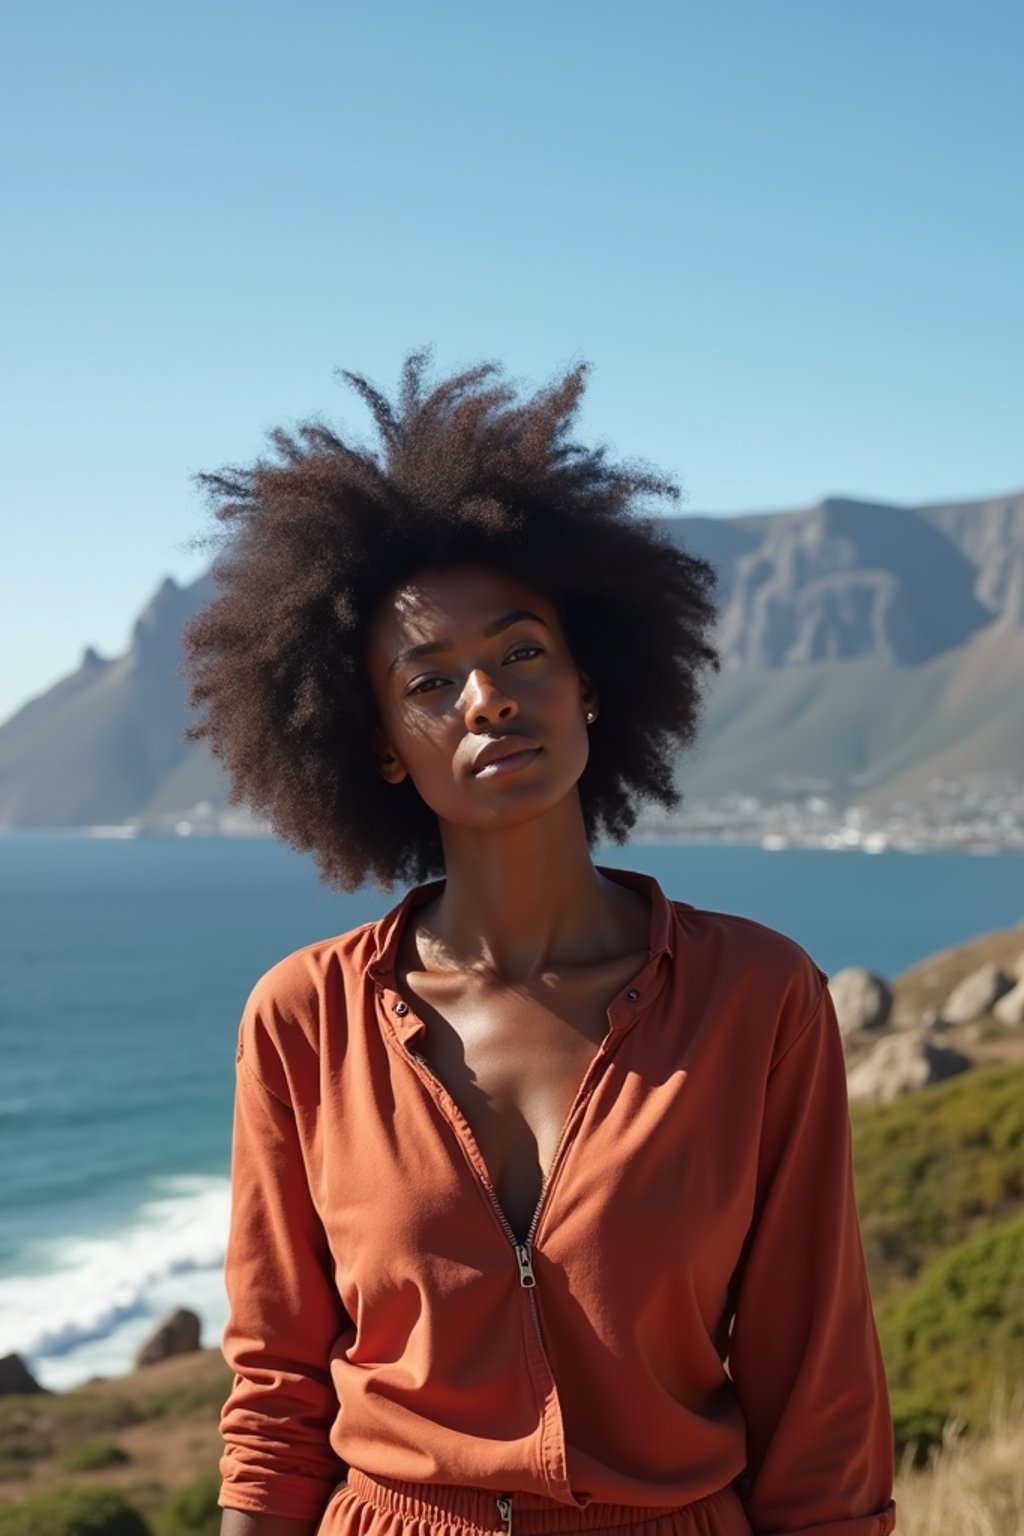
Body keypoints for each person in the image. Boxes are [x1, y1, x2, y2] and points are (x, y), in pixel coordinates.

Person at [183, 353, 897, 1536]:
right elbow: (274, 1398)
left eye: (521, 653)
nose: (486, 698)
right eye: (430, 680)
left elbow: (816, 1385)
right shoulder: (303, 1017)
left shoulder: (757, 996)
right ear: (376, 746)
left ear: (590, 685)